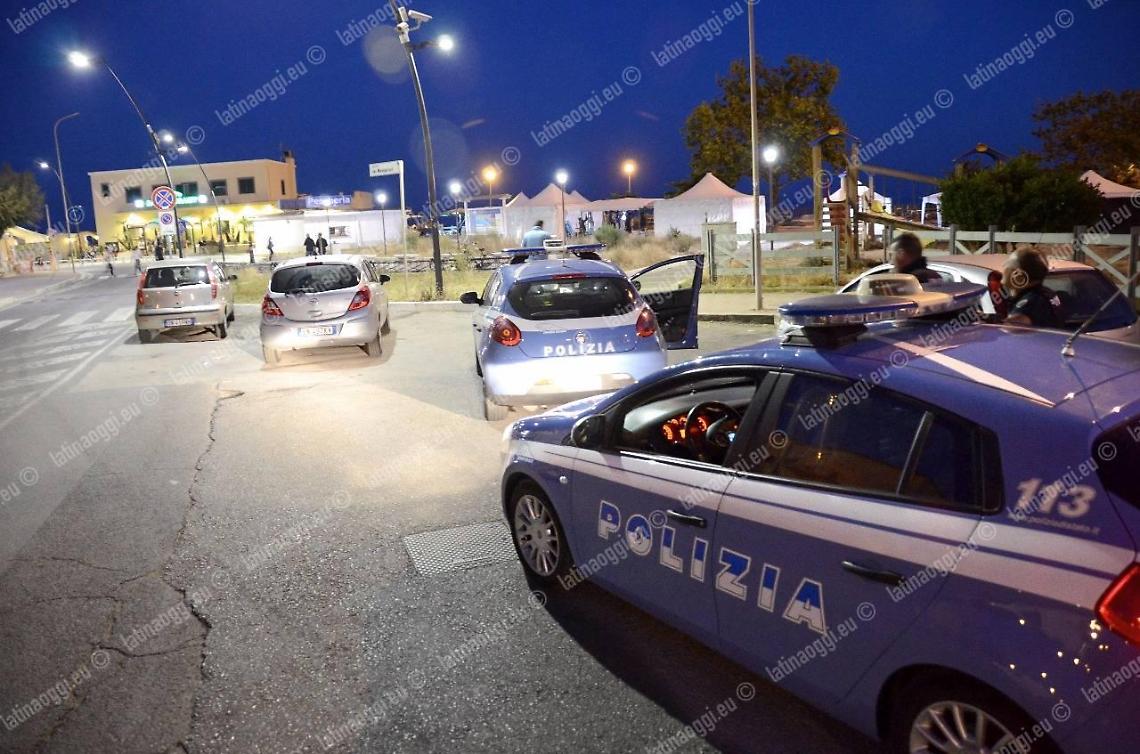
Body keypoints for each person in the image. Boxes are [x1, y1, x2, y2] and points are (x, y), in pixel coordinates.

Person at [1002, 248, 1065, 328]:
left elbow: (1013, 328)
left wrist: (989, 324)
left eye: (1008, 264)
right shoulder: (1046, 293)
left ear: (1019, 275)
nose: (1003, 265)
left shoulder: (1032, 301)